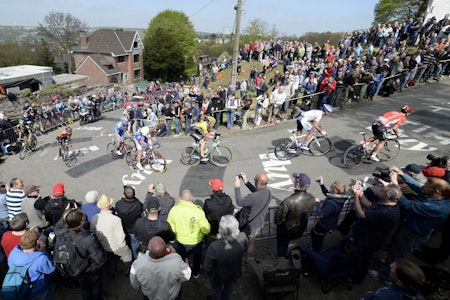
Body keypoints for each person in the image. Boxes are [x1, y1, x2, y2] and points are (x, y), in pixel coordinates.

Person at [350, 184, 401, 284]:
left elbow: (362, 214)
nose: (380, 191)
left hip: (369, 240)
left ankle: (357, 278)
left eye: (382, 190)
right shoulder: (386, 203)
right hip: (364, 235)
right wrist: (360, 193)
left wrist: (356, 198)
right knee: (358, 256)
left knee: (363, 260)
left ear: (388, 197)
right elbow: (369, 205)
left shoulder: (385, 212)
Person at [61, 208, 107, 300]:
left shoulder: (63, 235)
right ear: (80, 223)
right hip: (91, 269)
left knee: (84, 288)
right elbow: (98, 258)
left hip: (76, 268)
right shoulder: (89, 239)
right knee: (95, 286)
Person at [129, 236, 191, 300]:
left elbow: (135, 285)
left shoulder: (138, 263)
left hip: (150, 297)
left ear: (148, 248)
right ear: (166, 249)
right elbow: (186, 276)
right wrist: (176, 256)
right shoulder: (176, 263)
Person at [167, 189, 211, 279]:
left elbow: (170, 226)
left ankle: (183, 272)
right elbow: (206, 229)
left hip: (181, 240)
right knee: (197, 258)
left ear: (180, 198)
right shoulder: (198, 211)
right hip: (196, 241)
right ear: (192, 198)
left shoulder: (174, 210)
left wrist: (176, 234)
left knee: (182, 257)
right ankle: (196, 273)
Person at [204, 215, 248, 300]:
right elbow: (244, 251)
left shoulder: (214, 246)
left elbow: (207, 266)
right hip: (234, 272)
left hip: (218, 275)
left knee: (216, 290)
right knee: (229, 288)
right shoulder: (243, 237)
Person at [90, 194, 132, 277]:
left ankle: (110, 273)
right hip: (115, 246)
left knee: (109, 259)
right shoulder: (115, 219)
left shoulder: (95, 218)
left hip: (102, 245)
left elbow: (93, 232)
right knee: (128, 255)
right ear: (109, 206)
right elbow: (120, 237)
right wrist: (123, 247)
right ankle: (127, 272)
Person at [275, 173, 315, 258]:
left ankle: (283, 263)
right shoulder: (312, 197)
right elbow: (310, 213)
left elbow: (278, 219)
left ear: (297, 184)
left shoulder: (289, 201)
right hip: (299, 230)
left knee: (282, 246)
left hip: (285, 231)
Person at [8, 229, 55, 299]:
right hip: (39, 290)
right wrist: (43, 249)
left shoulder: (13, 253)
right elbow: (50, 269)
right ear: (37, 242)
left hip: (21, 289)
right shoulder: (41, 258)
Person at [235, 172, 271, 258]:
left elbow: (239, 202)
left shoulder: (252, 197)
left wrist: (237, 186)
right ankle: (250, 257)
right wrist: (246, 182)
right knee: (252, 239)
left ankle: (246, 259)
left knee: (246, 241)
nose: (254, 181)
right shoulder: (268, 192)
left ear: (258, 182)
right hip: (259, 222)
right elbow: (258, 191)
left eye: (255, 180)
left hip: (250, 225)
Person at [311, 177, 349, 251]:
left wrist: (317, 203)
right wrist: (321, 184)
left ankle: (316, 251)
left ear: (335, 191)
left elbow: (321, 214)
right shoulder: (341, 197)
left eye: (331, 187)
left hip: (324, 224)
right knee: (321, 235)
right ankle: (317, 249)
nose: (330, 188)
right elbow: (327, 194)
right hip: (332, 222)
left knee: (315, 233)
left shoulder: (331, 203)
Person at [361, 259, 426, 299]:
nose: (390, 265)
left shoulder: (384, 297)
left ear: (400, 281)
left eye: (393, 268)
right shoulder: (411, 291)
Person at [115, 185, 143, 259]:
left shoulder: (118, 204)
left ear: (124, 195)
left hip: (123, 229)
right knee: (134, 246)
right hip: (133, 230)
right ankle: (134, 258)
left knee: (125, 245)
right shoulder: (138, 205)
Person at [203, 178, 235, 245]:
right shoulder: (228, 198)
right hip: (226, 229)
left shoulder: (208, 202)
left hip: (213, 231)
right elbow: (231, 211)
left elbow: (204, 215)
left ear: (212, 189)